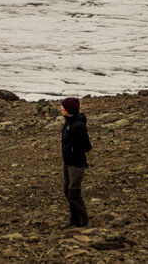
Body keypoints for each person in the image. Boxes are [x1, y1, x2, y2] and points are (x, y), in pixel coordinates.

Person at [60, 96, 92, 228]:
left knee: (74, 192)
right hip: (67, 162)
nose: (61, 108)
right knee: (68, 192)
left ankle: (84, 222)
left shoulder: (78, 126)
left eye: (63, 106)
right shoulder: (68, 123)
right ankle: (74, 220)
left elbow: (87, 146)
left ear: (69, 109)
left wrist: (74, 149)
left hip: (76, 164)